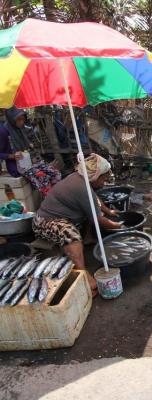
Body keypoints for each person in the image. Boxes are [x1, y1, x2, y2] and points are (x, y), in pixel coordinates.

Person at [33, 153, 121, 296]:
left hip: (65, 217)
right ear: (95, 176)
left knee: (87, 213)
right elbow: (98, 220)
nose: (104, 183)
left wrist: (108, 210)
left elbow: (94, 199)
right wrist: (119, 226)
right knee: (70, 234)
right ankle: (82, 272)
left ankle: (86, 239)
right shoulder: (81, 187)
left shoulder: (81, 179)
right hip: (44, 222)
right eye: (104, 179)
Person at [0, 106, 33, 177]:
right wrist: (12, 156)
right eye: (18, 119)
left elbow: (25, 142)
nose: (22, 122)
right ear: (12, 119)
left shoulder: (19, 128)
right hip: (15, 168)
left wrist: (29, 144)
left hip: (27, 162)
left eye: (23, 119)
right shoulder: (3, 132)